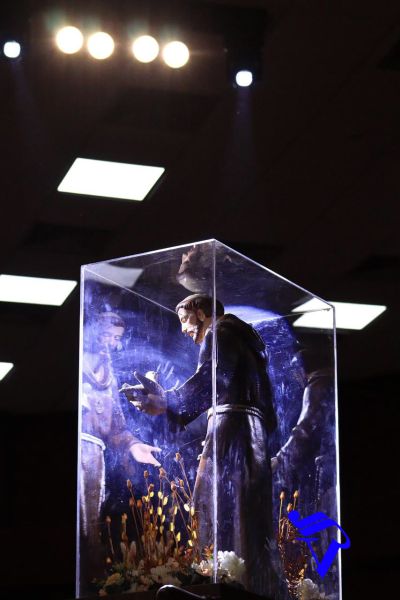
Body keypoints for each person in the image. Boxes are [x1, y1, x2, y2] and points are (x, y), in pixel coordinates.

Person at [136, 295, 277, 596]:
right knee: (243, 513)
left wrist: (166, 401)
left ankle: (222, 583)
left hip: (230, 434)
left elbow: (210, 381)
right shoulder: (246, 340)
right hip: (250, 436)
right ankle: (248, 584)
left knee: (212, 507)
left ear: (201, 313)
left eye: (185, 320)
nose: (184, 329)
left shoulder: (220, 331)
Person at [79, 312, 161, 589]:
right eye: (107, 335)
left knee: (92, 527)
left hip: (95, 458)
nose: (111, 344)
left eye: (116, 338)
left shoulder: (109, 376)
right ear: (93, 332)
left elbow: (116, 428)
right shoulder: (75, 366)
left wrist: (134, 446)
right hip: (77, 451)